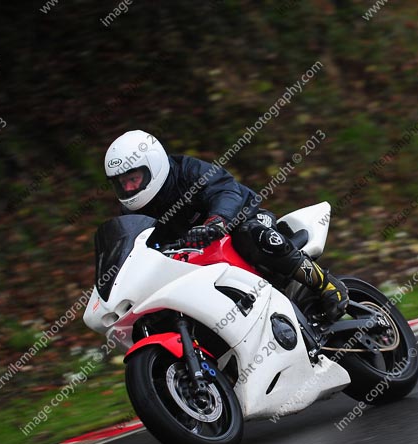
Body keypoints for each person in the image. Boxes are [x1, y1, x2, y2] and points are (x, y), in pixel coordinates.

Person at [103, 129, 348, 322]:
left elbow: (224, 189)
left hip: (241, 220)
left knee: (250, 234)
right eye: (121, 183)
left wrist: (216, 220)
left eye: (133, 179)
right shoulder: (131, 211)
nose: (128, 189)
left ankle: (326, 284)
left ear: (153, 166)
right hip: (194, 258)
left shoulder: (188, 170)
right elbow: (136, 245)